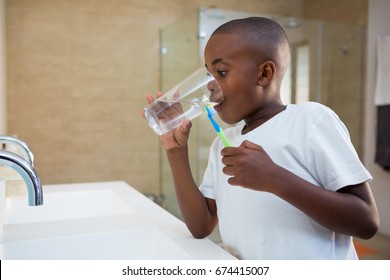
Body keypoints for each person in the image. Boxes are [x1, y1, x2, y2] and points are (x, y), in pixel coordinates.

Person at [144, 17, 380, 259]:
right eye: (207, 74)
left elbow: (366, 222)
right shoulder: (223, 142)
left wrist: (274, 178)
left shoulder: (309, 120)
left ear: (264, 74)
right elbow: (201, 226)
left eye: (221, 72)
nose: (210, 87)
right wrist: (176, 151)